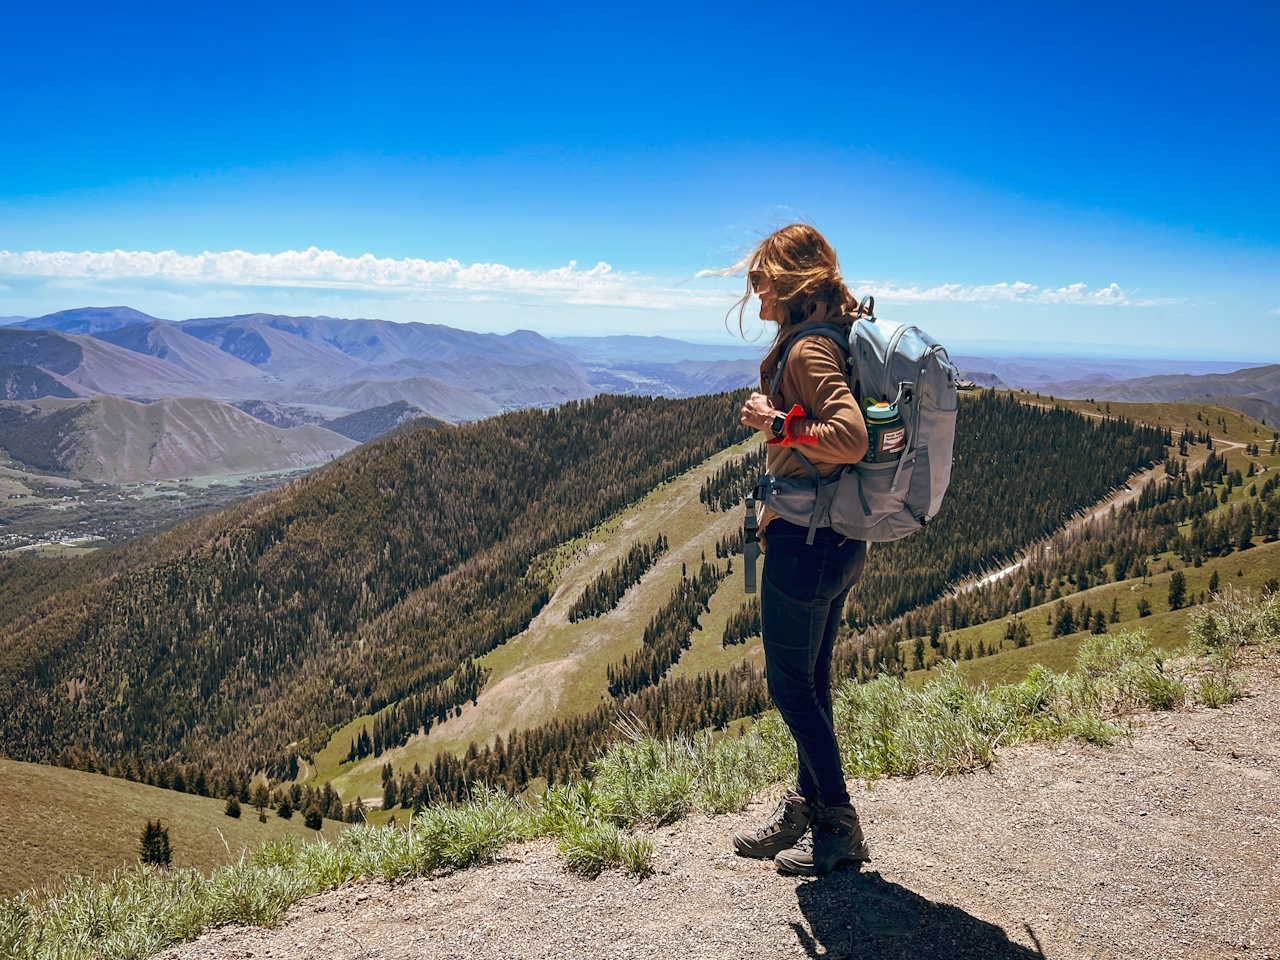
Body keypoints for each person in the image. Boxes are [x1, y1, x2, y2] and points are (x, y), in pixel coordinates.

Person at [731, 224, 871, 876]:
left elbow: (848, 437)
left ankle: (838, 824)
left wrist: (776, 422)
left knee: (790, 688)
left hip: (804, 542)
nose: (754, 286)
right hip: (833, 538)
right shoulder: (830, 337)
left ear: (790, 281)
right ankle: (807, 811)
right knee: (810, 684)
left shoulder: (807, 351)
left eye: (762, 275)